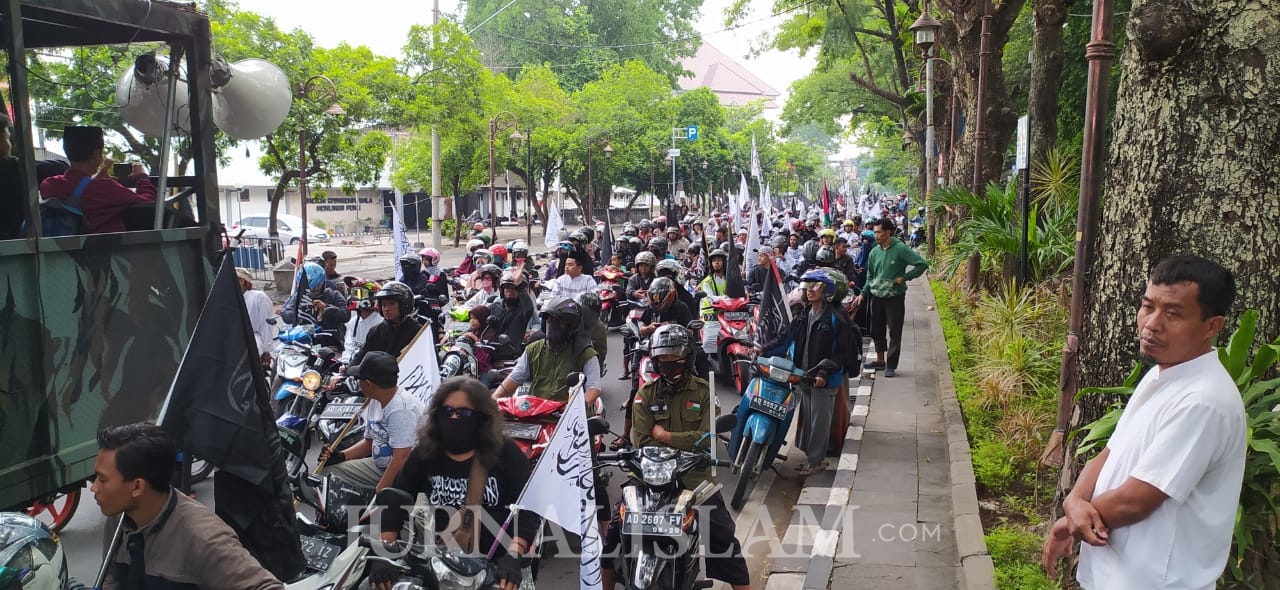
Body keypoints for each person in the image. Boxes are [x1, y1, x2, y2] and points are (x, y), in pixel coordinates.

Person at [1041, 256, 1244, 589]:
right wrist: (1073, 502)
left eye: (1173, 313)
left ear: (1212, 326)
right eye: (1148, 306)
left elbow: (1135, 501)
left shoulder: (1204, 401)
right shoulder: (1160, 375)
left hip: (1154, 580)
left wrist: (1068, 522)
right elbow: (1109, 453)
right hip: (1114, 573)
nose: (1151, 323)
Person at [601, 326, 751, 590]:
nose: (668, 363)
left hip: (694, 479)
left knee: (724, 537)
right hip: (647, 478)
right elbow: (643, 439)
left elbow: (707, 436)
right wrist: (682, 438)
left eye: (674, 358)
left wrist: (667, 436)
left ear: (688, 357)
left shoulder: (704, 392)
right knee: (613, 534)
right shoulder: (644, 394)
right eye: (663, 359)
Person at [372, 377, 540, 590]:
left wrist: (514, 554)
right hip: (443, 565)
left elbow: (528, 509)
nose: (453, 417)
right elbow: (396, 501)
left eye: (462, 413)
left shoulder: (506, 453)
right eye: (447, 411)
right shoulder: (426, 452)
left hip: (499, 566)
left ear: (481, 417)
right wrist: (385, 551)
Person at [92, 423, 283, 589]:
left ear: (137, 486)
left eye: (102, 479)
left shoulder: (203, 538)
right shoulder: (119, 519)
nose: (94, 488)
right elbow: (112, 579)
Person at [758, 269, 851, 475]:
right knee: (808, 418)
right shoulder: (802, 316)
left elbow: (841, 353)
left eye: (815, 286)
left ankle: (816, 461)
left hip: (824, 380)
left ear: (826, 290)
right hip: (804, 376)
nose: (810, 290)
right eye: (807, 286)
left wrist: (824, 373)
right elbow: (785, 340)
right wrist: (762, 349)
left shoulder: (835, 318)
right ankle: (811, 457)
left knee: (819, 421)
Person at [319, 351, 424, 491]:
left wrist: (380, 490)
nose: (358, 383)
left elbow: (402, 457)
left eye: (359, 379)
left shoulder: (401, 410)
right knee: (327, 473)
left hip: (405, 473)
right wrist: (342, 456)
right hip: (379, 465)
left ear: (368, 384)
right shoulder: (375, 400)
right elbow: (370, 441)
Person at [38, 126, 155, 235]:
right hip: (104, 253)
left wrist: (96, 179)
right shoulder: (107, 188)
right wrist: (142, 177)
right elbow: (149, 202)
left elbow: (79, 189)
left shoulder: (49, 185)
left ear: (66, 150)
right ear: (96, 153)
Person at [491, 296, 602, 407]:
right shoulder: (533, 350)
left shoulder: (585, 353)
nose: (552, 324)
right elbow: (514, 378)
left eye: (559, 321)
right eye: (549, 319)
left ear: (571, 326)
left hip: (569, 417)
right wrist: (494, 400)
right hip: (536, 414)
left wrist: (575, 409)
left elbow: (594, 389)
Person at [853, 218, 928, 378]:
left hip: (894, 297)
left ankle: (891, 365)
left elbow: (922, 264)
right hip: (876, 296)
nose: (876, 235)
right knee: (876, 329)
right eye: (875, 232)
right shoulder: (874, 251)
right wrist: (863, 293)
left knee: (894, 331)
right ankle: (880, 360)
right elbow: (870, 276)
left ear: (887, 232)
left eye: (879, 232)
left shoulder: (900, 248)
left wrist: (906, 277)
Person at [351, 281, 422, 365]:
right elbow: (360, 357)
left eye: (391, 304)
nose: (386, 309)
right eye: (384, 305)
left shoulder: (418, 331)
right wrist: (346, 372)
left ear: (403, 304)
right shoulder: (376, 331)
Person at [281, 261, 350, 336]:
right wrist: (302, 309)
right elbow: (286, 314)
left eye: (315, 288)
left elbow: (346, 315)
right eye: (309, 289)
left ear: (322, 283)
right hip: (305, 339)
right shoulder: (298, 297)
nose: (313, 292)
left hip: (330, 338)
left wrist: (327, 307)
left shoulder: (334, 295)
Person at [488, 270, 536, 361]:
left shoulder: (523, 311)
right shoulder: (495, 307)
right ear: (502, 290)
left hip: (512, 357)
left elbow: (529, 308)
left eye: (513, 288)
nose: (510, 292)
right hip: (493, 353)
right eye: (507, 288)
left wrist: (520, 286)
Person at [237, 267, 276, 367]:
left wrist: (266, 350)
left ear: (241, 281)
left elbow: (265, 325)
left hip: (254, 343)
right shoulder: (231, 298)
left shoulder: (258, 297)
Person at [341, 281, 384, 365]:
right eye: (354, 293)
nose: (354, 297)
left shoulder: (382, 322)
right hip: (353, 367)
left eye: (360, 294)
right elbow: (349, 348)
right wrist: (345, 364)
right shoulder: (353, 322)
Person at [576, 291, 609, 365]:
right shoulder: (571, 322)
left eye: (592, 314)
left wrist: (597, 364)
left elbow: (601, 351)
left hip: (588, 363)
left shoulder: (599, 327)